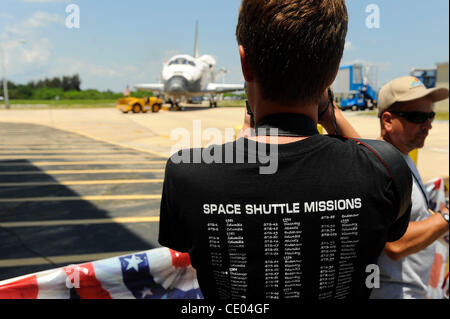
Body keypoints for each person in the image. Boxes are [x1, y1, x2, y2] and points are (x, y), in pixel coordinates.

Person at [158, 0, 412, 299]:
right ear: (332, 72)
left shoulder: (187, 173)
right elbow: (373, 163)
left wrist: (247, 133)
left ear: (245, 63)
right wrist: (331, 114)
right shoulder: (387, 168)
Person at [370, 76, 450, 299]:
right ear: (387, 120)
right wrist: (444, 218)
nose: (429, 125)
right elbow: (393, 244)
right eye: (418, 117)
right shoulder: (380, 167)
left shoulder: (401, 156)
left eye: (430, 115)